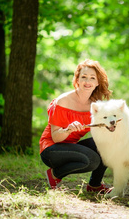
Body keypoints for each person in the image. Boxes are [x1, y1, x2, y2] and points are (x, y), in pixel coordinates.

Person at [39, 59, 112, 193]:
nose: (87, 81)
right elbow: (55, 138)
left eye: (92, 78)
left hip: (71, 147)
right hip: (52, 149)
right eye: (83, 77)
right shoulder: (63, 101)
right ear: (77, 80)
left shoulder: (95, 105)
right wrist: (68, 130)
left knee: (107, 144)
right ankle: (55, 174)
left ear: (97, 82)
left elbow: (107, 126)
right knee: (92, 160)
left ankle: (94, 186)